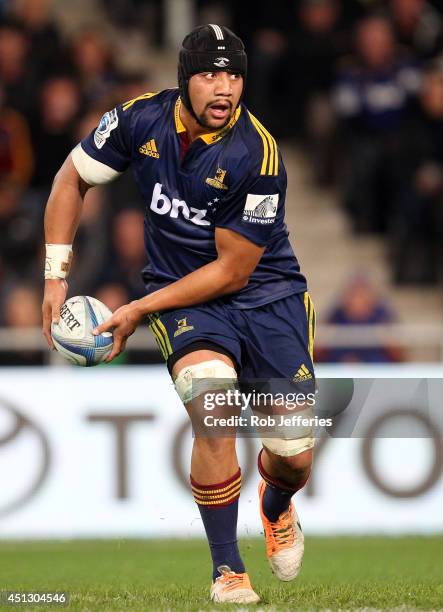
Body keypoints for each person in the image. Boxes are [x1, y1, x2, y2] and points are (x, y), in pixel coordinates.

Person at [42, 25, 316, 605]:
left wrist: (137, 308)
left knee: (294, 453)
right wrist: (55, 275)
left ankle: (277, 505)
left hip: (266, 296)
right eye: (210, 74)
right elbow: (71, 177)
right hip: (184, 298)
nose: (224, 88)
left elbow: (233, 270)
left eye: (234, 75)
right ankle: (227, 570)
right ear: (183, 79)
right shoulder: (139, 120)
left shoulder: (257, 154)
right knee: (211, 407)